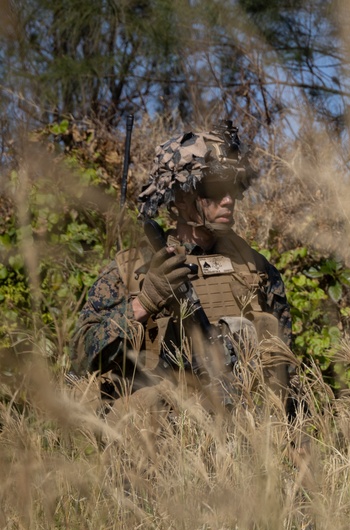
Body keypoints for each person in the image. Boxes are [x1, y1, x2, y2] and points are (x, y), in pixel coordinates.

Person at [72, 121, 297, 416]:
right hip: (155, 441)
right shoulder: (133, 269)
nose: (227, 200)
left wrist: (296, 443)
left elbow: (287, 373)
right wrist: (144, 303)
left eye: (231, 187)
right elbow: (80, 357)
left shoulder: (256, 269)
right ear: (180, 195)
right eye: (214, 189)